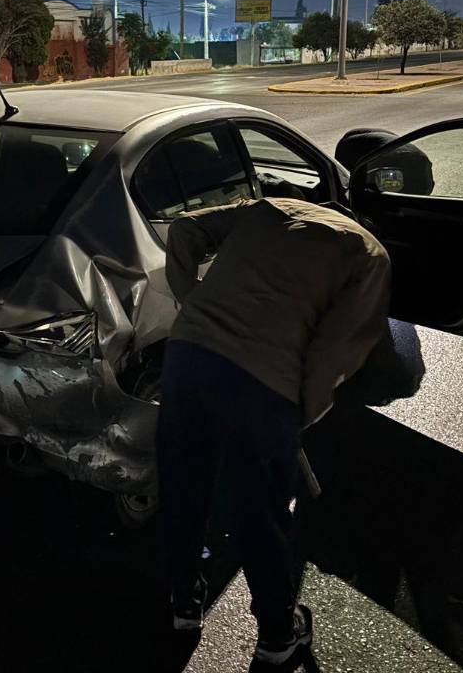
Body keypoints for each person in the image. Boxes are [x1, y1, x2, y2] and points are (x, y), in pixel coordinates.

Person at [158, 197, 391, 669]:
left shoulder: (270, 207)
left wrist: (191, 302)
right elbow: (337, 349)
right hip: (263, 384)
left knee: (184, 487)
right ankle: (278, 634)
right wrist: (298, 412)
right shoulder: (369, 254)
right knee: (258, 514)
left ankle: (184, 602)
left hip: (187, 356)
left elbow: (183, 228)